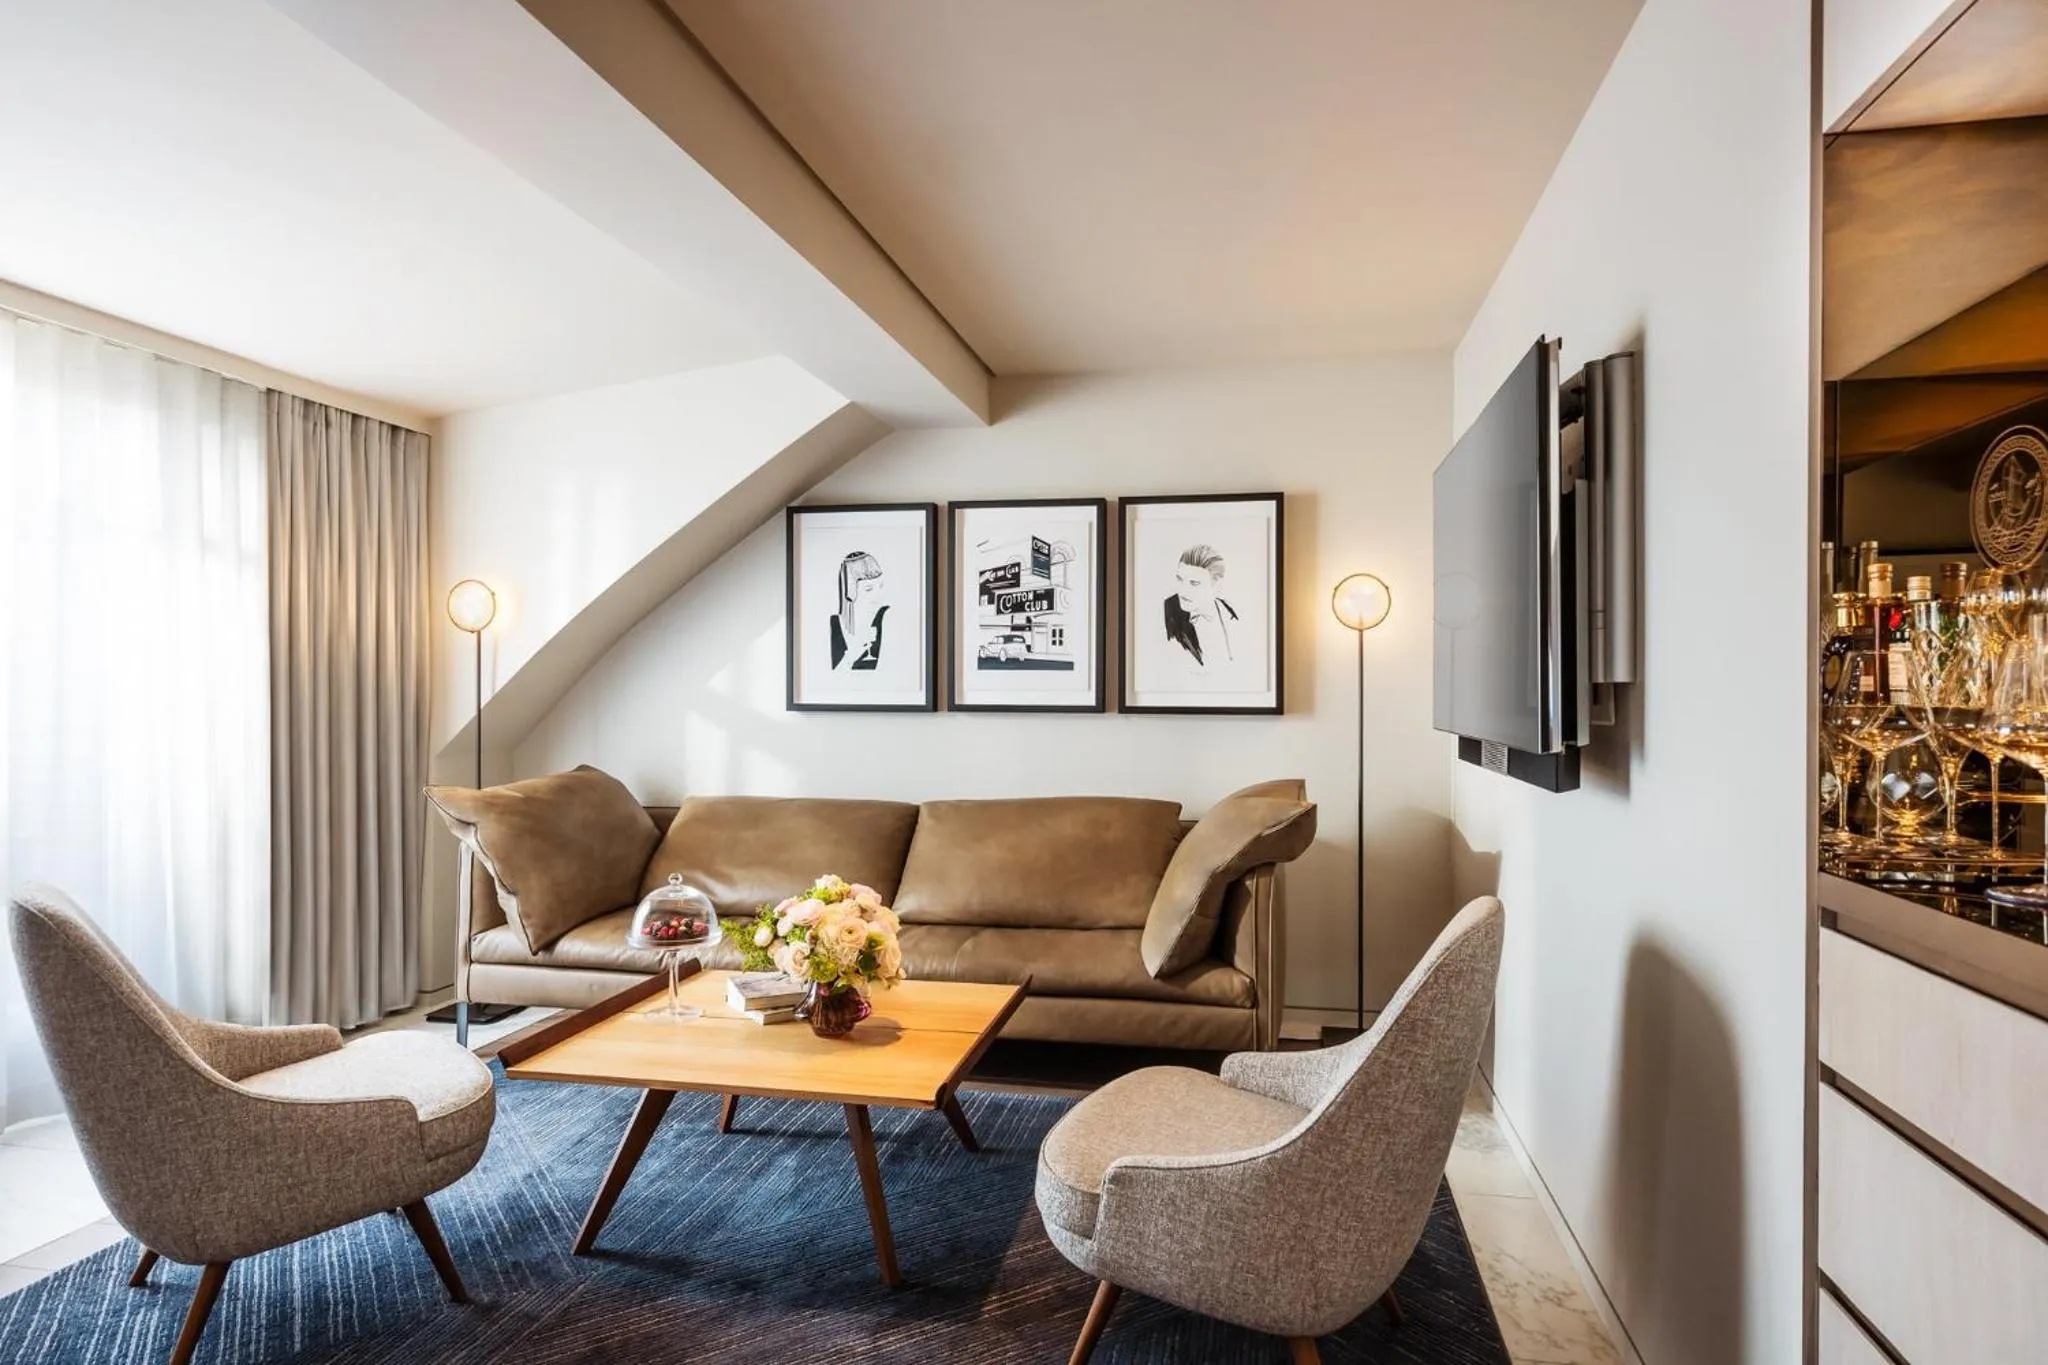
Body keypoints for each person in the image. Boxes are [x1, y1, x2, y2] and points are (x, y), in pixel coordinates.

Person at [1164, 544, 1237, 668]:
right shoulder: (1169, 610)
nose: (1182, 591)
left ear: (1216, 586)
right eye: (1180, 579)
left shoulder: (1230, 613)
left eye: (1194, 583)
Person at [831, 550, 887, 670]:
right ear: (850, 593)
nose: (877, 598)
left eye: (880, 587)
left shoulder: (885, 618)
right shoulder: (834, 628)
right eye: (868, 589)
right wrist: (854, 653)